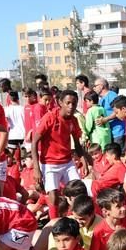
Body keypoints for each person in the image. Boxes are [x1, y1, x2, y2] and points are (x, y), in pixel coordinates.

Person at [30, 90, 87, 219]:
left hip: (67, 162)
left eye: (74, 103)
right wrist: (36, 168)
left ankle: (77, 219)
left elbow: (77, 144)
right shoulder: (49, 118)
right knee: (53, 195)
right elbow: (34, 142)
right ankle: (54, 223)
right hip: (49, 164)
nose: (71, 106)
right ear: (60, 103)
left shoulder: (73, 120)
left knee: (79, 191)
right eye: (68, 103)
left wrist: (83, 159)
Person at [93, 78, 126, 149]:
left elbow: (118, 111)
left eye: (95, 86)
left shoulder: (112, 95)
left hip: (118, 132)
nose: (94, 88)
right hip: (109, 133)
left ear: (101, 86)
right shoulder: (101, 99)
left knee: (120, 156)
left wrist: (105, 119)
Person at [5, 91, 25, 166]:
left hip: (13, 135)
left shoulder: (7, 109)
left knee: (10, 154)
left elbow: (5, 120)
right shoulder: (23, 108)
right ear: (18, 98)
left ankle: (7, 168)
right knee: (25, 154)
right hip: (23, 134)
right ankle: (23, 169)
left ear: (10, 99)